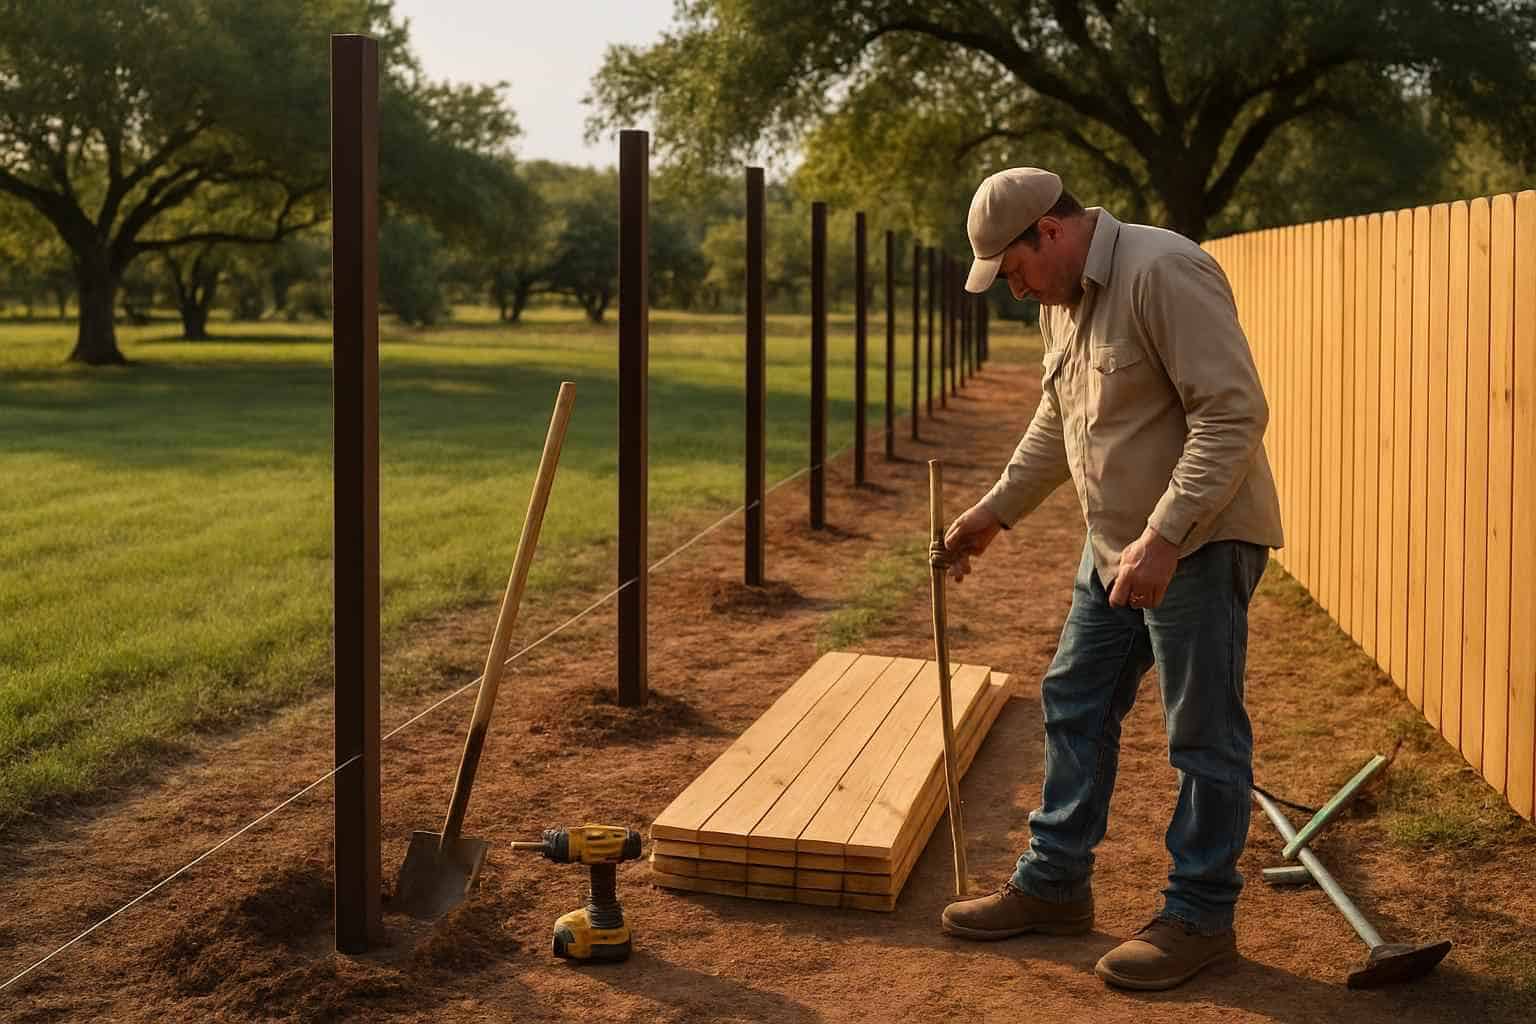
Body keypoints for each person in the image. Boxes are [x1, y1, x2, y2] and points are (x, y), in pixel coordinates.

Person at [938, 167, 1285, 991]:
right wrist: (995, 511)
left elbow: (1233, 413)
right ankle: (1055, 886)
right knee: (1075, 699)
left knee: (1200, 733)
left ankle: (1199, 916)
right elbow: (1056, 422)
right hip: (1114, 547)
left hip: (1196, 544)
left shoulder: (1164, 271)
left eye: (1014, 269)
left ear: (1049, 233)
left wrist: (1164, 536)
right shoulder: (1065, 305)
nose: (1014, 289)